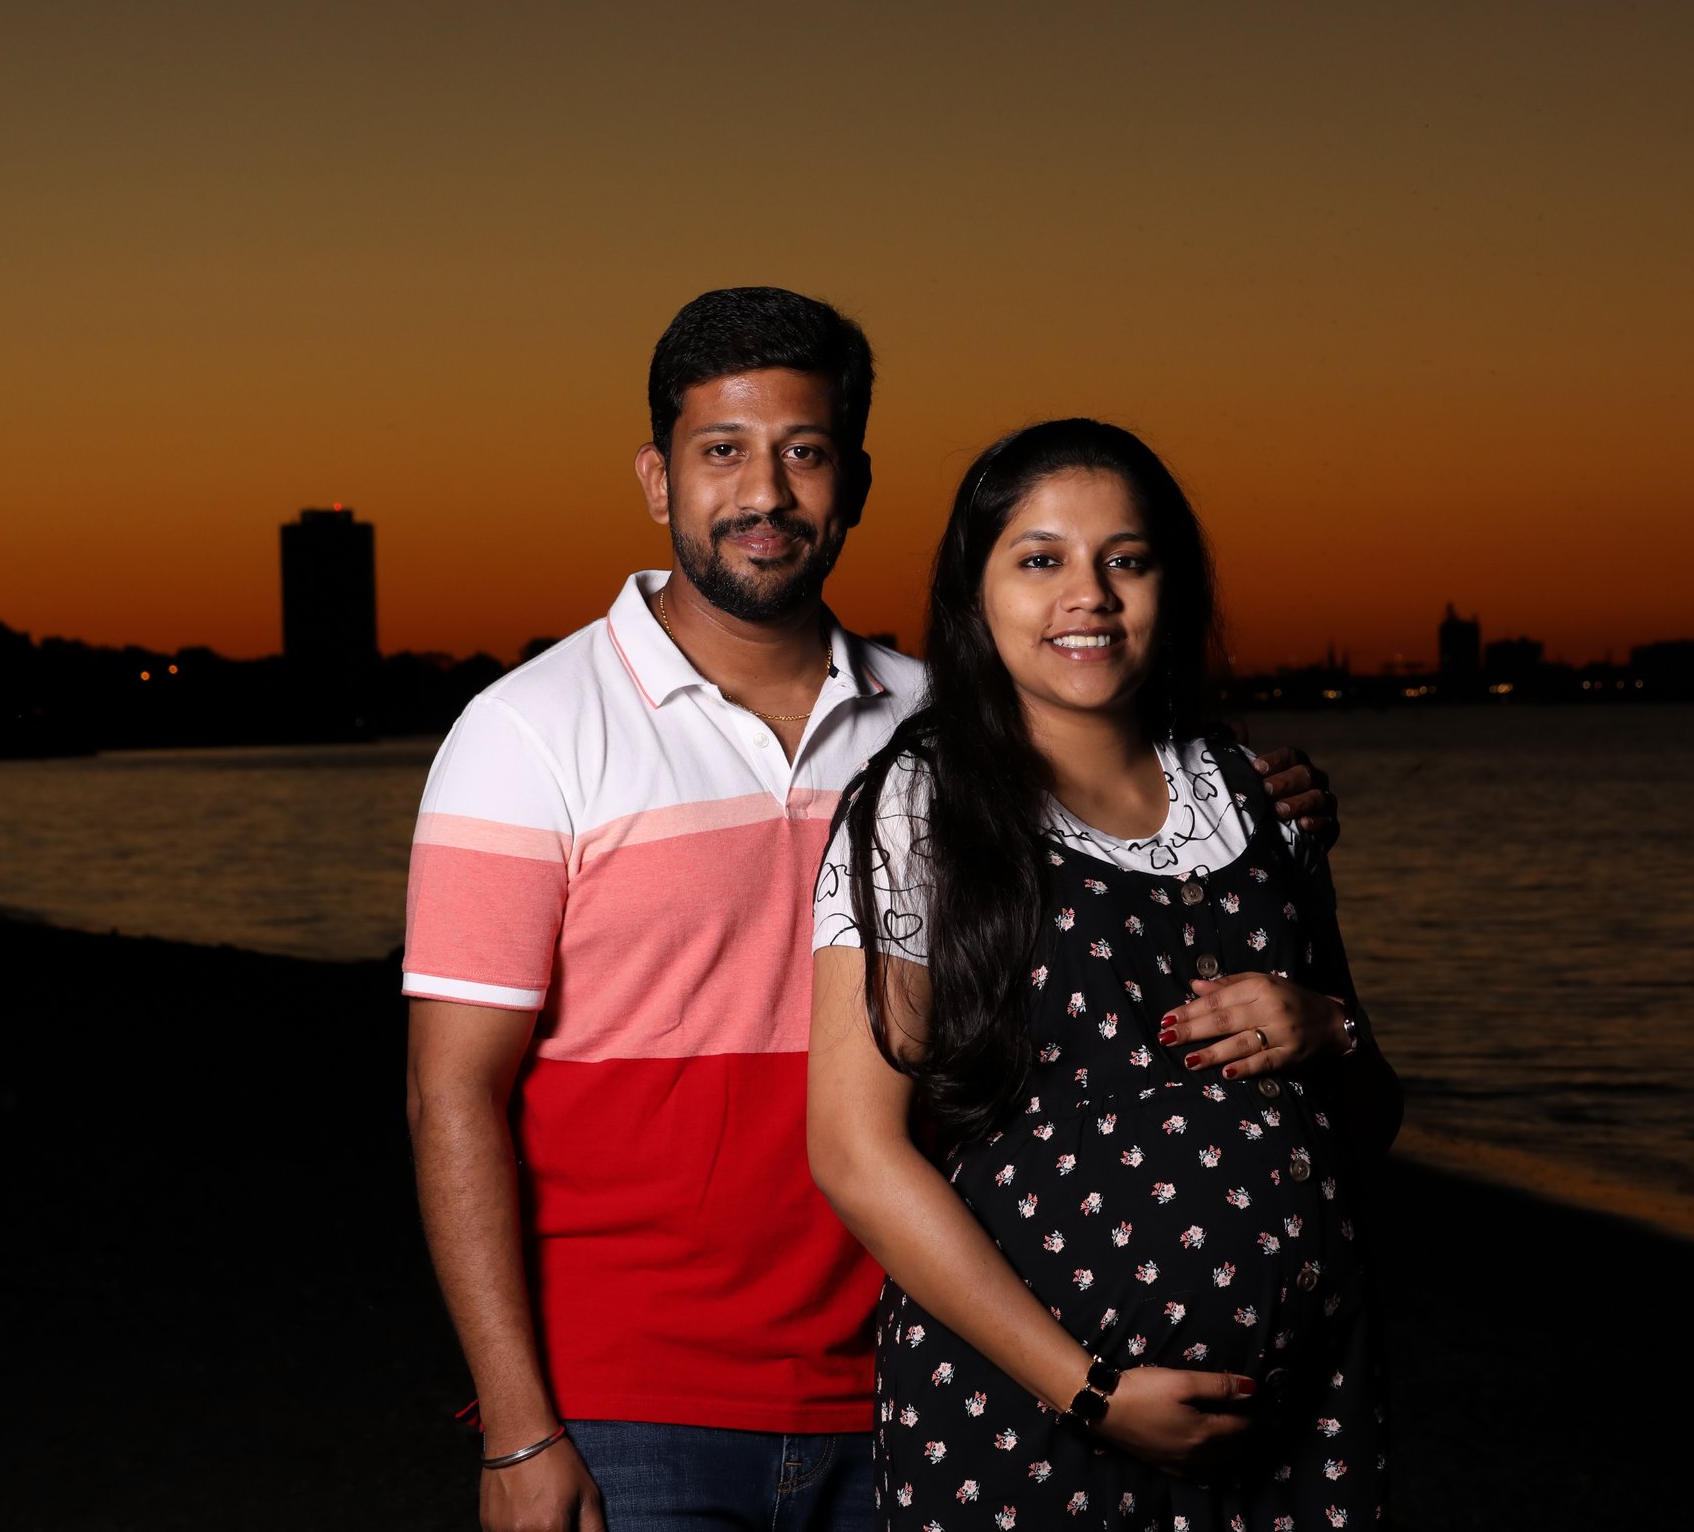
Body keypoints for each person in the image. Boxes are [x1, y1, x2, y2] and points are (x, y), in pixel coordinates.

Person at [403, 292, 1339, 1532]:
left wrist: (1265, 809)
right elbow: (452, 1093)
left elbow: (1134, 831)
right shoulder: (526, 731)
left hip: (920, 1366)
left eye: (804, 451)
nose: (765, 492)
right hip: (635, 1396)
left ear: (852, 482)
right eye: (722, 450)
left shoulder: (951, 726)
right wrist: (518, 1424)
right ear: (657, 477)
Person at [808, 419, 1400, 1532]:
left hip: (1299, 1412)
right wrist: (1087, 1389)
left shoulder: (1258, 796)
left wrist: (1332, 1032)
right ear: (975, 591)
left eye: (1126, 558)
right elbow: (852, 1149)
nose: (1089, 593)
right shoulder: (920, 805)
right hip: (1027, 1417)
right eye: (1040, 559)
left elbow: (1369, 1121)